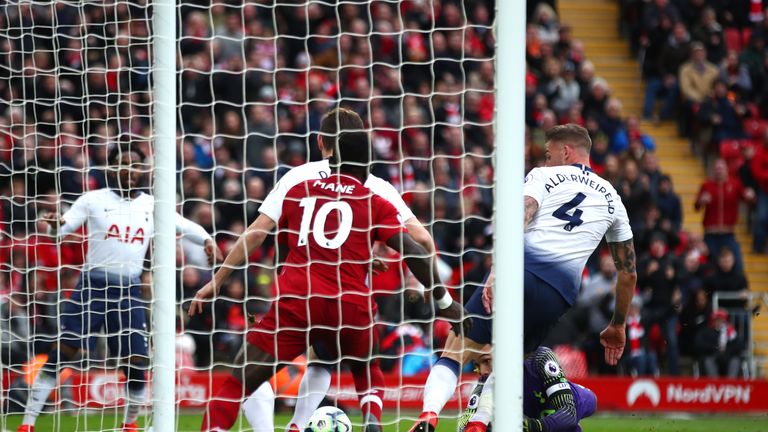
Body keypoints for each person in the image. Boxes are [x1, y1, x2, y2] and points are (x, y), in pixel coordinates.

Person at [190, 111, 468, 432]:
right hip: (349, 301)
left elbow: (260, 232)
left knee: (243, 377)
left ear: (322, 142)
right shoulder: (376, 189)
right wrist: (440, 297)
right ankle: (355, 421)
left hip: (298, 295)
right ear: (366, 154)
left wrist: (219, 280)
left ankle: (281, 426)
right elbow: (420, 240)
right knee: (353, 363)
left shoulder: (298, 181)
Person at [409, 124, 637, 432]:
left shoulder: (543, 176)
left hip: (522, 273)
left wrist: (495, 274)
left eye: (548, 154)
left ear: (565, 151)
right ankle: (479, 424)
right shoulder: (613, 198)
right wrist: (618, 324)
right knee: (509, 362)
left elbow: (522, 215)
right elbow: (628, 271)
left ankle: (429, 416)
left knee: (457, 347)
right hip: (559, 295)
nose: (545, 160)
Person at [17, 143, 221, 432]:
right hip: (92, 286)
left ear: (142, 169)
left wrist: (207, 240)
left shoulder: (152, 204)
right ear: (111, 168)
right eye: (122, 164)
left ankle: (130, 424)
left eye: (135, 164)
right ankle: (27, 424)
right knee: (65, 351)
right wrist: (52, 225)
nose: (129, 170)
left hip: (129, 291)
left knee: (138, 360)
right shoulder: (93, 199)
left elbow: (186, 226)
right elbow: (62, 228)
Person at [459, 347, 597, 432]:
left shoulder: (539, 357)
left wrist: (528, 426)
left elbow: (568, 414)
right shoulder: (484, 383)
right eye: (477, 366)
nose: (482, 371)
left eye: (487, 361)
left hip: (577, 401)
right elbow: (464, 425)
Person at [694, 158, 755, 272]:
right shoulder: (707, 185)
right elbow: (696, 207)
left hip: (728, 233)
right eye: (717, 168)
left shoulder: (735, 184)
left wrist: (750, 196)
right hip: (710, 234)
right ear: (713, 170)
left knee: (737, 264)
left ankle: (740, 288)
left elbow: (747, 198)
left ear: (726, 169)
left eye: (721, 168)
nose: (719, 171)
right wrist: (701, 200)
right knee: (711, 266)